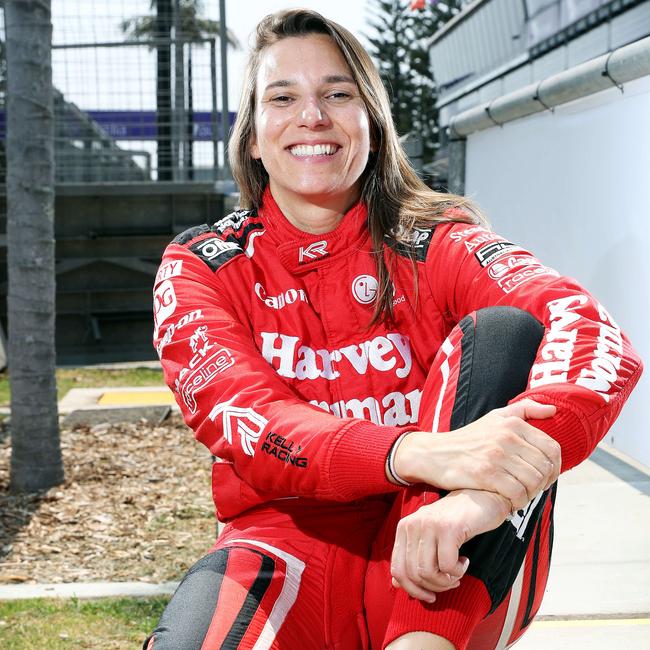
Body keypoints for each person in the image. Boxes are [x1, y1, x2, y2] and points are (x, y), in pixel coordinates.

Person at [144, 9, 642, 650]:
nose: (313, 116)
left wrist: (486, 494)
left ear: (372, 126)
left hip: (446, 550)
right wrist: (413, 451)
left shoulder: (440, 242)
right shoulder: (201, 266)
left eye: (337, 93)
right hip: (283, 545)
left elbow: (588, 327)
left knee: (505, 335)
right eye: (283, 97)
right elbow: (247, 419)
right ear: (253, 136)